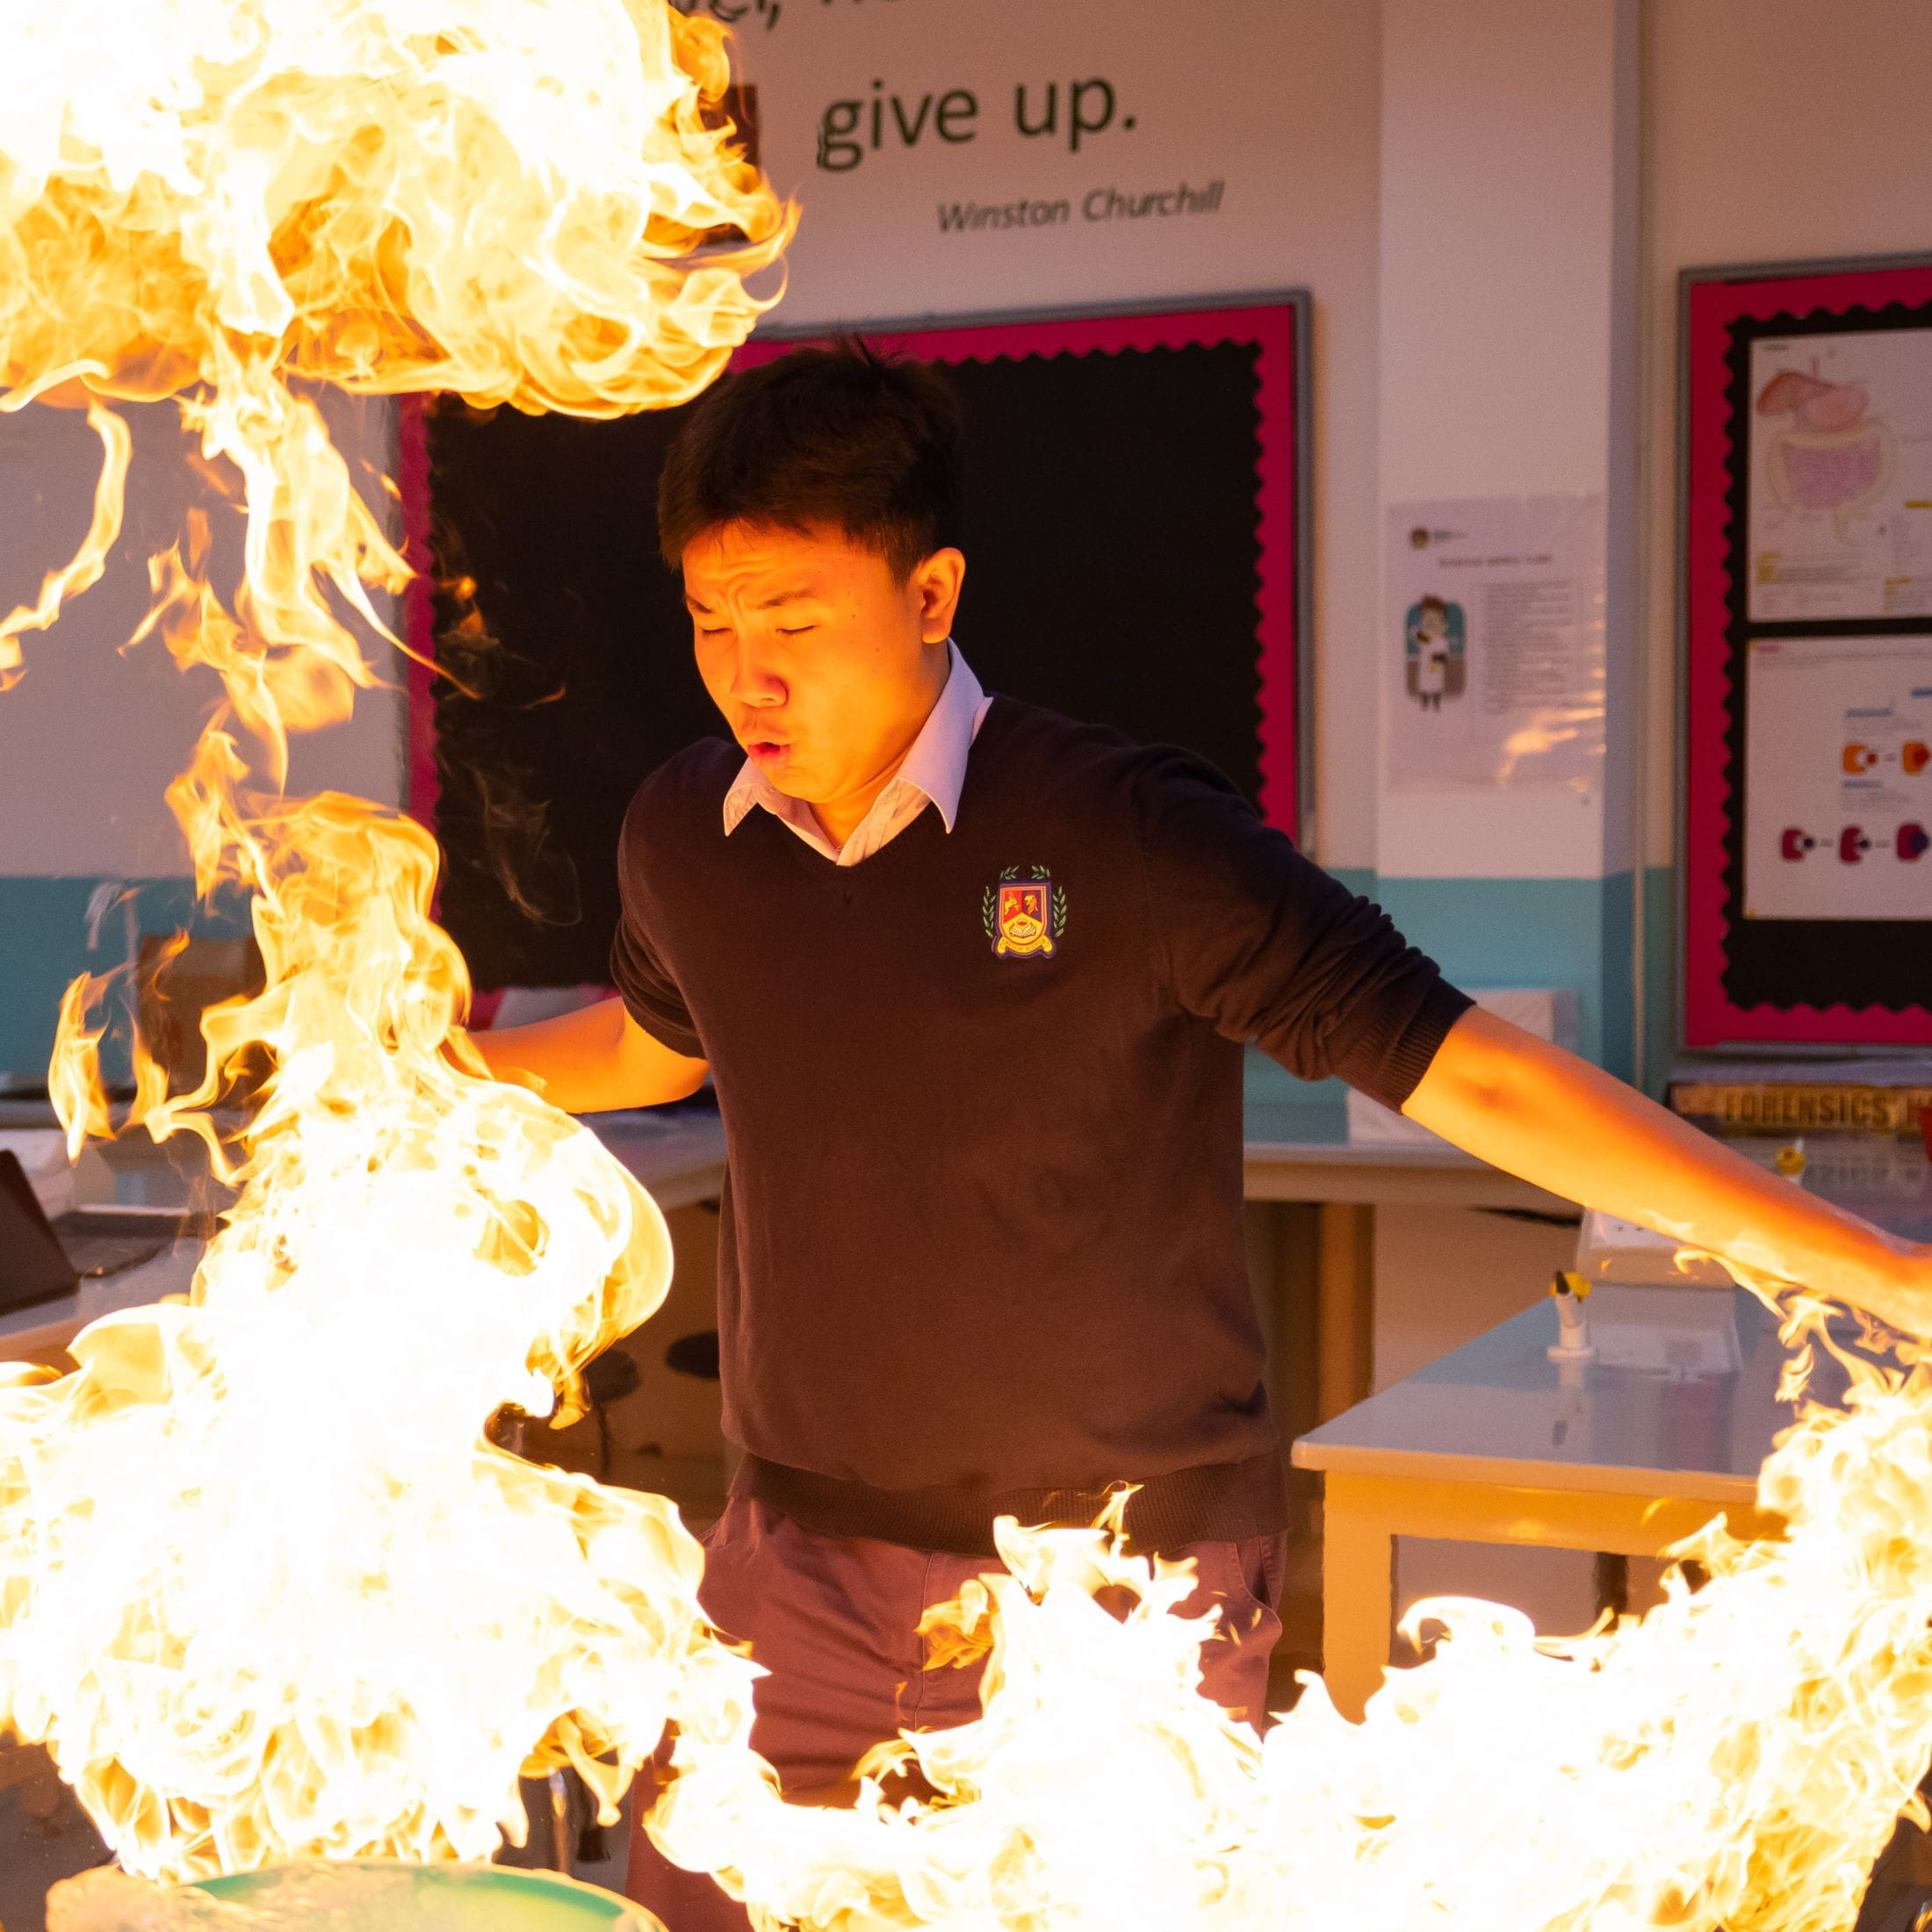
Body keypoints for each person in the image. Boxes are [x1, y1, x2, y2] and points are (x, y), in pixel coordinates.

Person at [468, 340, 1932, 1927]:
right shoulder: (690, 832)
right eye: (712, 623)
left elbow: (1467, 1071)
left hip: (1117, 1581)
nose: (748, 674)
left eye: (796, 625)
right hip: (793, 1565)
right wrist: (434, 1064)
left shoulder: (1127, 831)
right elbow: (654, 1041)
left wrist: (1879, 1267)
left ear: (933, 593)